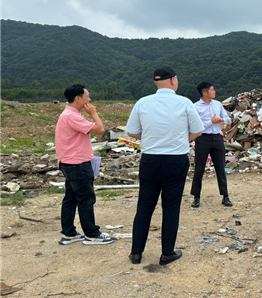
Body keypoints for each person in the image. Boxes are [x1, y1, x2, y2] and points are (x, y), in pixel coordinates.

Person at [126, 67, 204, 265]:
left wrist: (153, 137)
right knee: (171, 207)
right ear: (173, 80)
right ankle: (167, 252)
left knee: (144, 205)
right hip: (175, 159)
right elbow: (197, 131)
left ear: (156, 82)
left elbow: (132, 132)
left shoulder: (143, 102)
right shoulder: (184, 102)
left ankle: (136, 253)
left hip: (150, 159)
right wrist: (176, 138)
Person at [55, 84, 114, 245]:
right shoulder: (72, 116)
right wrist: (94, 113)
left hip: (69, 163)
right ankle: (92, 234)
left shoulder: (69, 114)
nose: (90, 99)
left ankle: (69, 233)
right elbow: (100, 129)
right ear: (78, 98)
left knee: (71, 198)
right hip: (77, 164)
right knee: (86, 199)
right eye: (87, 96)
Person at [190, 82, 232, 208]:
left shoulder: (218, 104)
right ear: (205, 93)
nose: (214, 92)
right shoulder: (195, 107)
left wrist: (221, 120)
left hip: (217, 138)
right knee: (199, 168)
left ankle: (225, 196)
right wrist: (211, 121)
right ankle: (196, 197)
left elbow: (229, 119)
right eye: (212, 90)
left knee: (220, 168)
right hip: (202, 138)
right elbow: (196, 127)